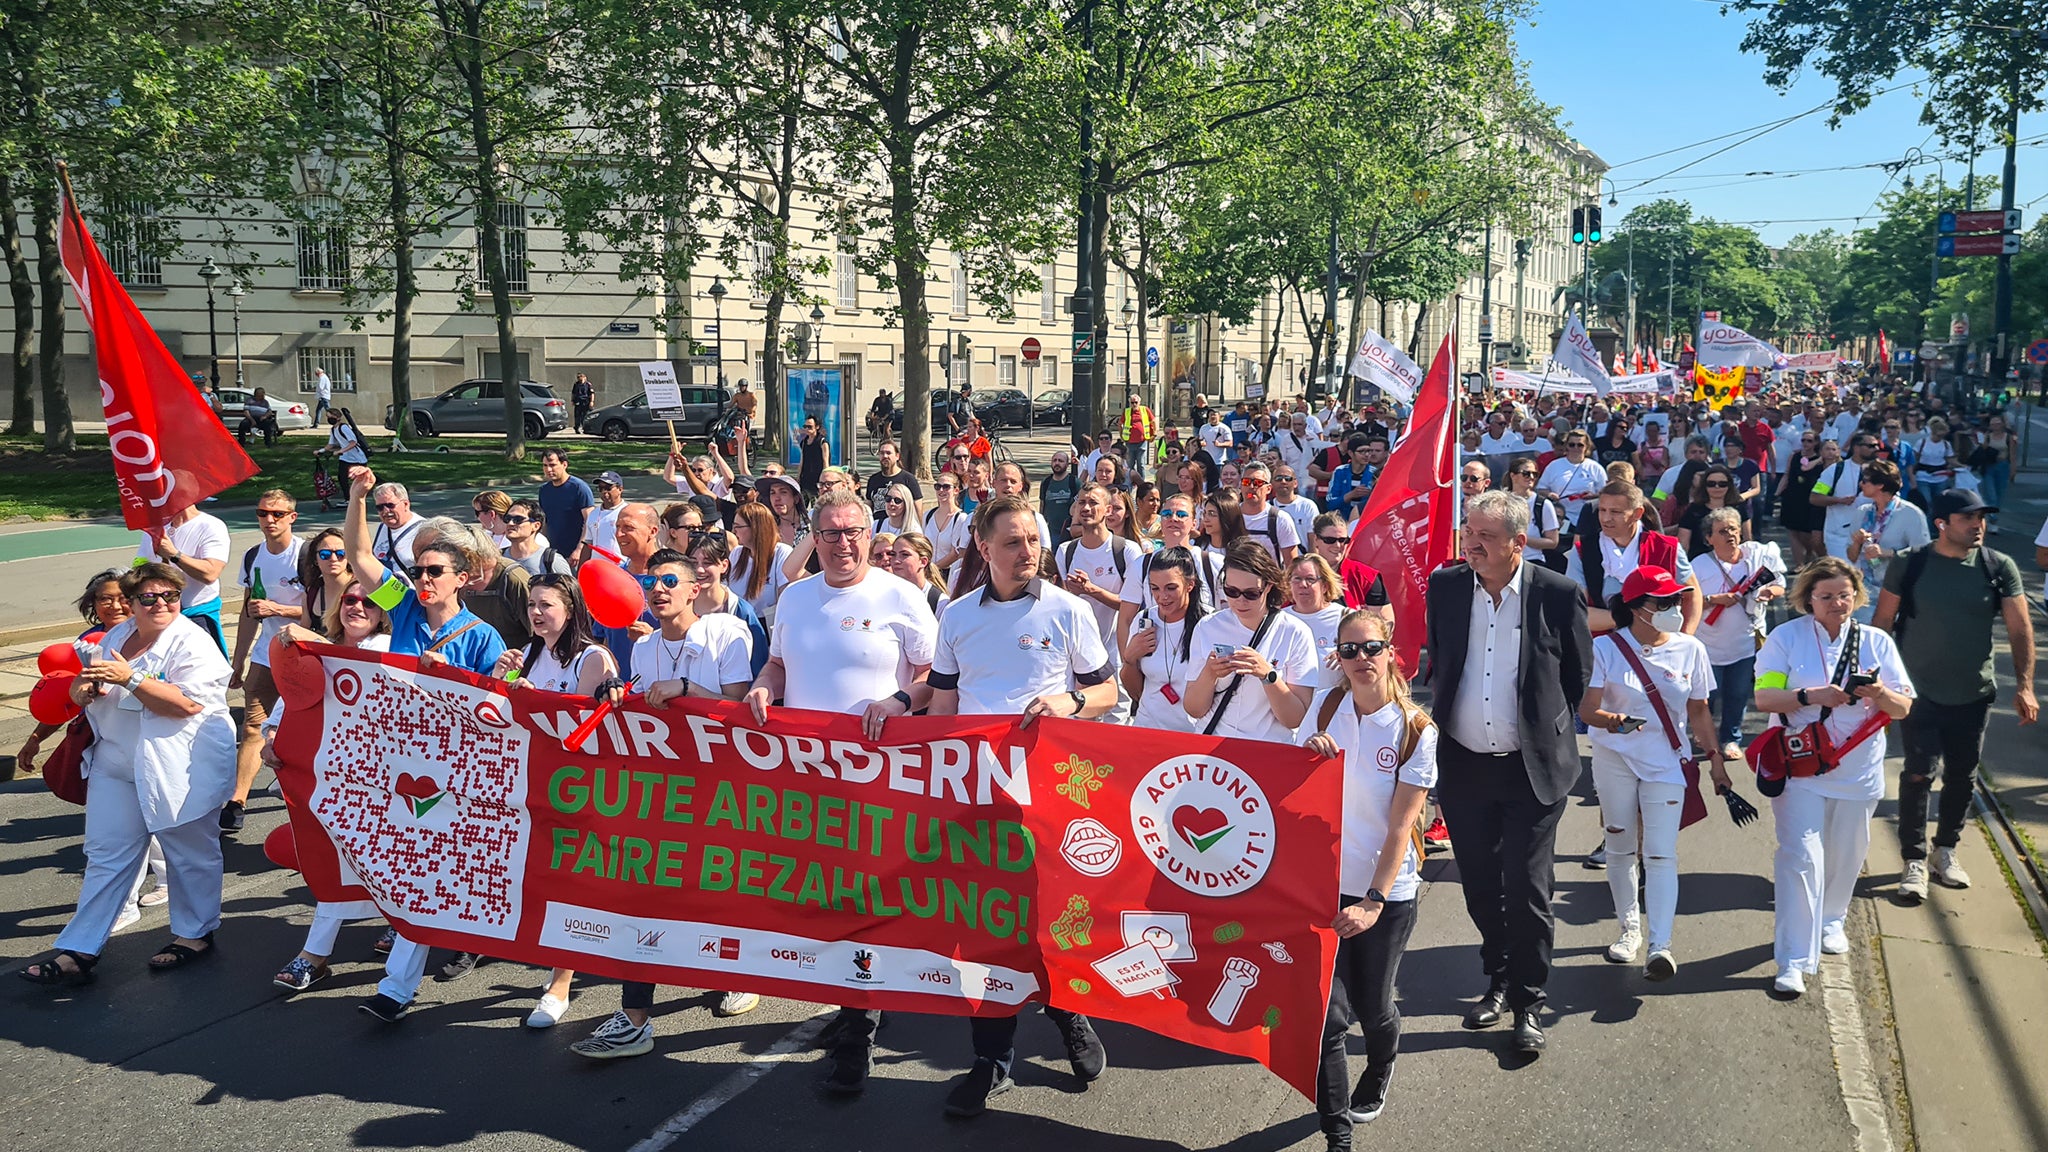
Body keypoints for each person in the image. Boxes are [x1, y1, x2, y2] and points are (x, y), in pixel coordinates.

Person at [739, 489, 939, 1094]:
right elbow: (777, 664)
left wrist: (896, 701)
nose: (844, 543)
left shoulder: (902, 596)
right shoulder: (795, 598)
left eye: (854, 532)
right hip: (808, 780)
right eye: (831, 533)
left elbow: (936, 679)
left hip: (878, 781)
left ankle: (859, 1031)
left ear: (868, 533)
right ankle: (848, 1005)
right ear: (815, 538)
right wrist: (763, 686)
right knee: (824, 901)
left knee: (867, 905)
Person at [926, 493, 1111, 1116]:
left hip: (1051, 799)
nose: (1027, 552)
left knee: (1050, 922)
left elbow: (1107, 689)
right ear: (983, 548)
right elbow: (944, 710)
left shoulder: (1067, 609)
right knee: (985, 932)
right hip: (978, 800)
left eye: (1032, 540)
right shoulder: (955, 616)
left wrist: (1071, 704)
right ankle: (991, 1060)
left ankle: (1070, 1015)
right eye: (1012, 542)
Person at [1422, 489, 1591, 1053]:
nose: (1472, 544)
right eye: (1469, 533)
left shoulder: (1557, 594)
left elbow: (1574, 678)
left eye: (1486, 536)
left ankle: (1527, 1002)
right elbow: (1441, 661)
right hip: (1466, 765)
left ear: (1520, 543)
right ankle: (1496, 976)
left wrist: (1542, 731)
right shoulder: (1445, 587)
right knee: (1478, 887)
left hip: (1532, 771)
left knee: (1526, 888)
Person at [17, 562, 235, 987]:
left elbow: (187, 705)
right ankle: (80, 948)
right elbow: (87, 686)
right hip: (115, 763)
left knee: (189, 854)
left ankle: (194, 933)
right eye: (149, 598)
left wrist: (132, 678)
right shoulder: (117, 637)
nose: (161, 604)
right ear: (131, 603)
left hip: (179, 768)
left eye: (170, 596)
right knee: (105, 855)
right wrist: (84, 689)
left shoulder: (192, 642)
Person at [342, 466, 508, 1022]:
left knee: (445, 869)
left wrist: (456, 682)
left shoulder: (484, 638)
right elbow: (360, 558)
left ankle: (460, 944)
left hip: (458, 773)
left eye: (434, 570)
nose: (423, 578)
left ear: (461, 577)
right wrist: (358, 498)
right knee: (415, 869)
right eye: (418, 569)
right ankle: (399, 986)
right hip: (401, 762)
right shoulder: (406, 606)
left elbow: (496, 714)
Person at [1752, 557, 1914, 996]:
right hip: (1801, 768)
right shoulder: (1786, 638)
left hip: (1859, 768)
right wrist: (1809, 695)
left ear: (1856, 597)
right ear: (1808, 599)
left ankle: (1832, 918)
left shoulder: (1877, 641)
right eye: (1826, 597)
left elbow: (1903, 708)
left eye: (1844, 595)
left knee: (1847, 852)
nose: (1837, 604)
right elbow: (1765, 698)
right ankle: (1792, 960)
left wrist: (1879, 692)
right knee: (1799, 856)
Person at [1304, 609, 1435, 1146]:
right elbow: (1293, 790)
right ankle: (1338, 1136)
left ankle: (1380, 1067)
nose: (1362, 660)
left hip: (1386, 893)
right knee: (1328, 1021)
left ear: (1391, 653)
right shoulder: (1325, 705)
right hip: (1323, 885)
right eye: (1349, 650)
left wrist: (1375, 900)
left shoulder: (1415, 731)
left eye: (1371, 648)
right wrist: (1309, 758)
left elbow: (1401, 827)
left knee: (1373, 1004)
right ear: (1338, 657)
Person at [1874, 489, 2036, 902]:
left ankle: (1945, 850)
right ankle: (1913, 858)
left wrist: (2026, 685)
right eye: (1968, 518)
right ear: (1942, 523)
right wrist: (1877, 686)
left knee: (1962, 778)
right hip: (1917, 693)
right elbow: (1882, 625)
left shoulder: (1998, 567)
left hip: (1973, 693)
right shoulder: (1910, 565)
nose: (1977, 525)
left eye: (1981, 517)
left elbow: (2020, 628)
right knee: (1917, 772)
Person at [1578, 566, 1726, 981]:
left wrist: (1714, 760)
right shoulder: (1605, 648)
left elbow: (1698, 710)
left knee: (1661, 853)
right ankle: (1630, 930)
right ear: (1637, 609)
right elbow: (1587, 710)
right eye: (1662, 602)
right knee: (1621, 845)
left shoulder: (1690, 649)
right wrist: (1616, 722)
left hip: (1666, 761)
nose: (1674, 608)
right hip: (1615, 758)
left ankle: (1661, 945)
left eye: (1676, 600)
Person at [267, 579, 392, 992]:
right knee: (335, 861)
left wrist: (312, 641)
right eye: (350, 600)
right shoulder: (312, 655)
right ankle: (316, 956)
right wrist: (270, 739)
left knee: (388, 860)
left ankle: (319, 953)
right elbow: (287, 702)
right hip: (328, 780)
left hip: (385, 783)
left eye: (369, 603)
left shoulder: (388, 648)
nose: (358, 607)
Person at [223, 489, 307, 833]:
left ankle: (302, 796)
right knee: (253, 727)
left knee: (303, 728)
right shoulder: (253, 555)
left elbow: (325, 609)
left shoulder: (305, 554)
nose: (269, 520)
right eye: (262, 513)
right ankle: (236, 802)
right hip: (266, 655)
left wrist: (280, 609)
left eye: (277, 514)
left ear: (291, 517)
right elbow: (248, 613)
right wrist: (239, 659)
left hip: (305, 655)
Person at [1184, 540, 1316, 740]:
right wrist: (1209, 674)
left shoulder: (1295, 633)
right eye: (1232, 591)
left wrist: (1267, 675)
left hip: (1266, 750)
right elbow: (1194, 709)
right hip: (1214, 749)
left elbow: (1295, 719)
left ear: (1269, 586)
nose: (1240, 601)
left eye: (1251, 594)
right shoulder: (1208, 626)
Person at [1693, 507, 1784, 757]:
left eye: (1733, 528)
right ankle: (1704, 736)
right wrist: (1713, 599)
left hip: (1744, 645)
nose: (1730, 535)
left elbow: (1779, 584)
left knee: (1737, 695)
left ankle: (1731, 740)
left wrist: (1768, 593)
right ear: (1709, 538)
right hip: (1708, 647)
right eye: (1722, 531)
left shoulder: (1755, 557)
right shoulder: (1698, 566)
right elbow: (1684, 600)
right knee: (1707, 698)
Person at [1054, 483, 1147, 715]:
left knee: (1116, 727)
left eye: (1093, 502)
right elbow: (1060, 603)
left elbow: (1132, 607)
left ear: (1107, 510)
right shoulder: (1066, 551)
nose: (1086, 508)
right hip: (1079, 656)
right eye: (1082, 502)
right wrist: (1074, 594)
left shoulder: (1127, 550)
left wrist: (1092, 590)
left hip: (1114, 654)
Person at [1569, 481, 1700, 634]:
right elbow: (1578, 611)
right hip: (1604, 648)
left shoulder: (1665, 547)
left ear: (1637, 514)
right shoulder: (1582, 551)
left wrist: (1685, 638)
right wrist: (1635, 617)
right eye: (1602, 510)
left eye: (1615, 512)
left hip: (1659, 645)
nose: (1605, 518)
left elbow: (1692, 595)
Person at [1120, 546, 1204, 733]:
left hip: (1194, 735)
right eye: (1154, 589)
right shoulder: (1144, 620)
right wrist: (1130, 658)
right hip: (1148, 730)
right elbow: (1135, 691)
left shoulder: (1208, 625)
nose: (1162, 597)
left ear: (1190, 585)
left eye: (1171, 588)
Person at [136, 503, 232, 656]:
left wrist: (173, 554)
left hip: (197, 615)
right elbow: (139, 567)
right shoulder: (154, 528)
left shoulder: (211, 525)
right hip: (158, 614)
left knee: (207, 673)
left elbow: (210, 573)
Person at [1844, 459, 1928, 616]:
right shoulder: (1862, 512)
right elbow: (1851, 556)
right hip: (1865, 592)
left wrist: (1887, 552)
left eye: (1865, 480)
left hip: (1897, 592)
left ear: (1880, 485)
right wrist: (1856, 543)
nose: (1861, 484)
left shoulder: (1910, 514)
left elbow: (1923, 555)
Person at [729, 501, 792, 626]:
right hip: (736, 623)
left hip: (766, 626)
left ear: (755, 528)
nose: (733, 531)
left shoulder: (781, 552)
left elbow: (785, 599)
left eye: (738, 526)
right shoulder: (736, 553)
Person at [1674, 463, 1751, 558]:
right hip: (1700, 563)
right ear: (1704, 486)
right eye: (1711, 484)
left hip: (1734, 562)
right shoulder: (1693, 510)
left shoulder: (1740, 508)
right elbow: (1683, 545)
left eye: (1722, 484)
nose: (1717, 487)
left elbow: (1747, 541)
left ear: (1729, 486)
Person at [1777, 430, 1828, 568]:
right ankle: (1798, 564)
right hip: (1792, 496)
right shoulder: (1794, 456)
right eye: (1803, 440)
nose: (1805, 443)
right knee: (1792, 530)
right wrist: (1778, 491)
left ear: (1816, 443)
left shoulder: (1820, 460)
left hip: (1809, 498)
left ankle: (1810, 552)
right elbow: (1787, 474)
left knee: (1806, 533)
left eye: (1809, 441)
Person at [1537, 429, 1605, 528]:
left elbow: (1604, 492)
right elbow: (1541, 488)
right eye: (1572, 444)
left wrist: (1593, 496)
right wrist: (1550, 494)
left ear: (1586, 447)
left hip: (1587, 517)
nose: (1575, 448)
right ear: (1566, 446)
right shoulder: (1554, 465)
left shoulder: (1595, 467)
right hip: (1562, 517)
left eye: (1580, 445)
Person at [1237, 461, 1302, 563]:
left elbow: (1291, 565)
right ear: (1240, 486)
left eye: (1258, 483)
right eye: (1246, 482)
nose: (1251, 487)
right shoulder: (1230, 515)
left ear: (1268, 489)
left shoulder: (1280, 519)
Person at [537, 448, 594, 562]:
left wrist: (579, 550)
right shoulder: (544, 490)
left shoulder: (579, 488)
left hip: (574, 554)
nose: (548, 469)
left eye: (553, 465)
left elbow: (590, 522)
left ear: (564, 464)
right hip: (551, 553)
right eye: (545, 465)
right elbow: (544, 523)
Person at [313, 408, 369, 510]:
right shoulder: (333, 429)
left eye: (331, 417)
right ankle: (348, 500)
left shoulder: (344, 428)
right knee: (342, 478)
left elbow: (353, 442)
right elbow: (331, 444)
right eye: (328, 417)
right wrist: (320, 451)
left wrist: (340, 451)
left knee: (360, 478)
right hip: (345, 458)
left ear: (338, 418)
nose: (329, 419)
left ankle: (378, 484)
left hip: (357, 458)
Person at [368, 480, 425, 578]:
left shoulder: (424, 530)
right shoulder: (382, 527)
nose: (386, 511)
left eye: (390, 505)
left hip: (414, 591)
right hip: (386, 591)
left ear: (406, 504)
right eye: (380, 507)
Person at [503, 497, 572, 576]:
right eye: (507, 519)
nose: (510, 523)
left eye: (518, 519)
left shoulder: (552, 560)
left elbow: (569, 587)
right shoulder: (497, 558)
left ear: (536, 526)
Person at [885, 531, 948, 616]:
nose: (896, 560)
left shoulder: (939, 602)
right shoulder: (886, 595)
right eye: (893, 554)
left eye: (904, 554)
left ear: (923, 561)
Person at [578, 470, 627, 563]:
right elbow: (588, 544)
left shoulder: (628, 512)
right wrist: (580, 572)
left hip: (622, 568)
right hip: (599, 569)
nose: (604, 492)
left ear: (620, 489)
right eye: (601, 488)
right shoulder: (593, 514)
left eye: (608, 488)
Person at [864, 439, 923, 515]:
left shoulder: (908, 479)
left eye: (888, 453)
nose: (885, 456)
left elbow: (918, 508)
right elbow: (869, 507)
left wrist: (919, 526)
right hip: (878, 525)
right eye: (882, 453)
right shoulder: (873, 479)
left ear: (897, 456)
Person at [1915, 417, 1955, 505]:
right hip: (1923, 476)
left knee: (1939, 502)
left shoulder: (1946, 444)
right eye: (1938, 435)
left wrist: (1961, 466)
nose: (1940, 438)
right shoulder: (1922, 443)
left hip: (1941, 476)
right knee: (1927, 501)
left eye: (1942, 436)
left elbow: (1950, 459)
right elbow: (1915, 458)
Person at [1120, 393, 1157, 480]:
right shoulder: (1127, 411)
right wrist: (1121, 434)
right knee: (1130, 464)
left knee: (1141, 464)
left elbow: (1153, 421)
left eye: (1136, 402)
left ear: (1139, 402)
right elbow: (1120, 423)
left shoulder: (1145, 410)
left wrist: (1154, 433)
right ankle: (1130, 482)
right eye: (1132, 403)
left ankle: (1142, 482)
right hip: (1130, 442)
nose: (1134, 405)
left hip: (1142, 441)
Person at [796, 414, 830, 496]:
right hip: (805, 479)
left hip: (817, 480)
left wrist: (825, 478)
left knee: (816, 505)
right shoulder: (804, 442)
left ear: (817, 427)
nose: (807, 429)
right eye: (805, 426)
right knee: (802, 505)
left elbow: (826, 461)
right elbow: (802, 460)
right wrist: (798, 476)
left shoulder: (822, 442)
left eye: (810, 427)